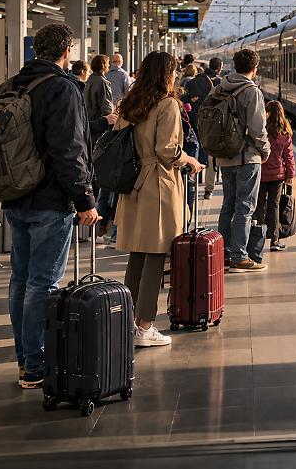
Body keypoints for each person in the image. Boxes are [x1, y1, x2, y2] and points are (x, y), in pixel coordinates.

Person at [0, 24, 99, 388]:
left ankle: (25, 360)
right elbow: (68, 151)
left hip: (14, 196)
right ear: (66, 49)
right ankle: (37, 365)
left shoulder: (10, 85)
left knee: (21, 280)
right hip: (50, 201)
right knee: (43, 282)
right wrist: (85, 200)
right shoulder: (63, 88)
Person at [113, 52, 205, 347]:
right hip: (158, 186)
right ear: (167, 74)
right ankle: (145, 326)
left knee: (137, 256)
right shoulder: (167, 104)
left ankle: (126, 321)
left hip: (133, 185)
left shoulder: (129, 104)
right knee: (155, 258)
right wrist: (189, 159)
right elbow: (167, 149)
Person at [215, 49, 271, 272]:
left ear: (234, 65)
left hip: (224, 156)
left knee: (228, 205)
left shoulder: (219, 86)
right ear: (254, 69)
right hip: (247, 157)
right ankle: (239, 256)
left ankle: (222, 253)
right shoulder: (251, 91)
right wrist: (265, 150)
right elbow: (257, 128)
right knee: (245, 207)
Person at [83, 54, 120, 244]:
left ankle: (90, 230)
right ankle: (102, 227)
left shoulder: (88, 81)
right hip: (101, 132)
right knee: (103, 183)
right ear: (105, 66)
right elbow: (107, 110)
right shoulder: (103, 83)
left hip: (89, 130)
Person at [256, 101, 295, 253]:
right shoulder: (284, 132)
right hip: (278, 175)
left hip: (261, 174)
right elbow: (289, 156)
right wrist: (290, 174)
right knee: (274, 206)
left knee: (260, 205)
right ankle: (274, 241)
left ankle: (257, 240)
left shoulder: (262, 130)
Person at [185, 57, 222, 199]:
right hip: (211, 123)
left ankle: (194, 178)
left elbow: (185, 98)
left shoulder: (191, 83)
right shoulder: (217, 82)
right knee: (211, 157)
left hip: (193, 121)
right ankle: (208, 189)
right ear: (219, 67)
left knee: (196, 147)